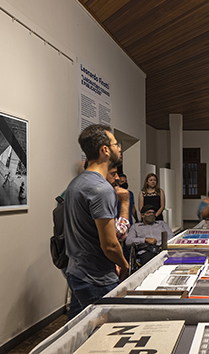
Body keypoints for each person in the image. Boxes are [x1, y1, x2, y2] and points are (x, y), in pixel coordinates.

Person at [64, 124, 129, 319]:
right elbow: (109, 245)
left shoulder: (76, 183)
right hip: (97, 279)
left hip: (77, 273)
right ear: (105, 150)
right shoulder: (101, 189)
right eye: (116, 144)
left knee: (77, 333)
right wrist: (124, 265)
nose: (119, 149)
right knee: (107, 336)